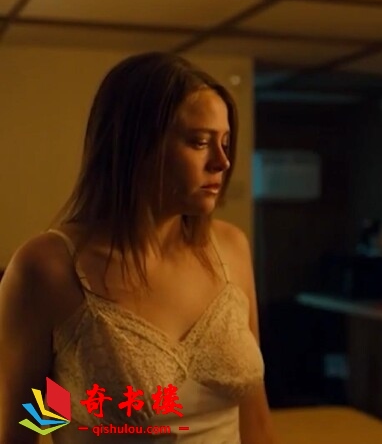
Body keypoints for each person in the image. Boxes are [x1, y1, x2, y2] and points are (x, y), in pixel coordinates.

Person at [0, 52, 278, 443]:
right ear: (136, 146)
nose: (221, 162)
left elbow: (255, 418)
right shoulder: (49, 268)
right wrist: (71, 404)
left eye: (225, 143)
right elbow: (24, 427)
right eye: (199, 142)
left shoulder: (230, 249)